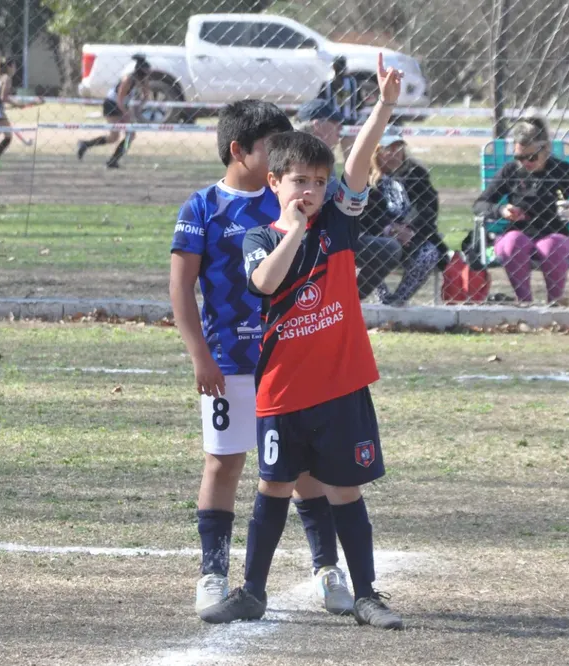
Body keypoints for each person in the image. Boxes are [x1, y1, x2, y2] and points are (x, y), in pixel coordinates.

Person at [200, 53, 405, 630]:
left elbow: (360, 162)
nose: (313, 190)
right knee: (273, 488)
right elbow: (264, 283)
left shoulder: (340, 220)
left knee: (345, 490)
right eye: (300, 182)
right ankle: (252, 592)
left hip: (339, 386)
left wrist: (384, 106)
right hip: (283, 390)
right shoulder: (261, 237)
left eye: (319, 182)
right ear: (275, 183)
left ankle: (366, 594)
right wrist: (292, 228)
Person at [169, 99, 354, 622]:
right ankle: (213, 573)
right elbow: (182, 288)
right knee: (224, 462)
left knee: (303, 470)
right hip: (228, 362)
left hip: (289, 363)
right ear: (239, 151)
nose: (283, 157)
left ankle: (326, 570)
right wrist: (200, 356)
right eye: (272, 146)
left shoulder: (292, 199)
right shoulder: (202, 208)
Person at [472, 118, 569, 305]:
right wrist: (501, 210)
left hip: (556, 234)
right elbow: (480, 204)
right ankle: (524, 303)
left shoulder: (562, 171)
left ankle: (554, 304)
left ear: (545, 149)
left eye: (531, 157)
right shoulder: (511, 171)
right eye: (519, 157)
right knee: (514, 243)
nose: (525, 162)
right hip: (518, 232)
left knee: (550, 247)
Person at [295, 97, 402, 301]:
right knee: (387, 249)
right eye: (335, 123)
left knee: (387, 248)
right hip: (304, 236)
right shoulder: (298, 153)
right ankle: (338, 303)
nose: (340, 129)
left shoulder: (323, 155)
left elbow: (342, 197)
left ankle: (343, 303)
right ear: (317, 125)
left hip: (331, 233)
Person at [363, 135, 445, 305]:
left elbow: (428, 208)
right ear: (376, 152)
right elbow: (363, 214)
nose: (395, 154)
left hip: (412, 236)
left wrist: (409, 229)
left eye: (399, 148)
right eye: (389, 149)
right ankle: (383, 301)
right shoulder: (363, 177)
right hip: (378, 235)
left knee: (429, 253)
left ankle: (397, 302)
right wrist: (388, 229)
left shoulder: (416, 174)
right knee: (365, 253)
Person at [77, 53, 152, 168]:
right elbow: (119, 99)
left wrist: (140, 105)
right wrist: (126, 113)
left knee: (126, 136)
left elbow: (146, 96)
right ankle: (88, 146)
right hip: (112, 105)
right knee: (116, 136)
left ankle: (108, 157)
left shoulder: (141, 80)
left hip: (122, 105)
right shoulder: (128, 79)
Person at [318, 56, 360, 157]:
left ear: (333, 66)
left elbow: (320, 102)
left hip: (332, 121)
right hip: (348, 120)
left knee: (328, 155)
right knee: (349, 156)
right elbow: (358, 101)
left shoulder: (327, 82)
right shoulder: (351, 82)